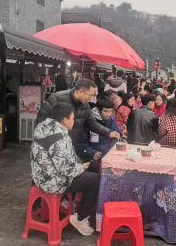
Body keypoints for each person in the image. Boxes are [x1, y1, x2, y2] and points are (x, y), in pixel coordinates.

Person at [31, 103, 100, 236]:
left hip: (38, 177)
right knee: (94, 179)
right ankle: (80, 219)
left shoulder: (41, 127)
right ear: (64, 120)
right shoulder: (61, 138)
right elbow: (67, 170)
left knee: (85, 170)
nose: (73, 121)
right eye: (72, 118)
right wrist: (82, 167)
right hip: (52, 182)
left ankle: (68, 205)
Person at [36, 79, 120, 146]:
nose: (90, 98)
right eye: (90, 95)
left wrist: (108, 133)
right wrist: (46, 141)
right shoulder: (57, 98)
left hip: (69, 144)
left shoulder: (85, 105)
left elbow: (92, 124)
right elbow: (41, 119)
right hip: (51, 144)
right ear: (80, 92)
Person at [75, 97, 122, 172]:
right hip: (93, 156)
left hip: (109, 154)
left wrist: (111, 150)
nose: (108, 114)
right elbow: (80, 144)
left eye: (110, 111)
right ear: (98, 110)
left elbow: (118, 136)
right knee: (95, 167)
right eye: (105, 111)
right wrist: (92, 153)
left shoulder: (111, 120)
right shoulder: (88, 122)